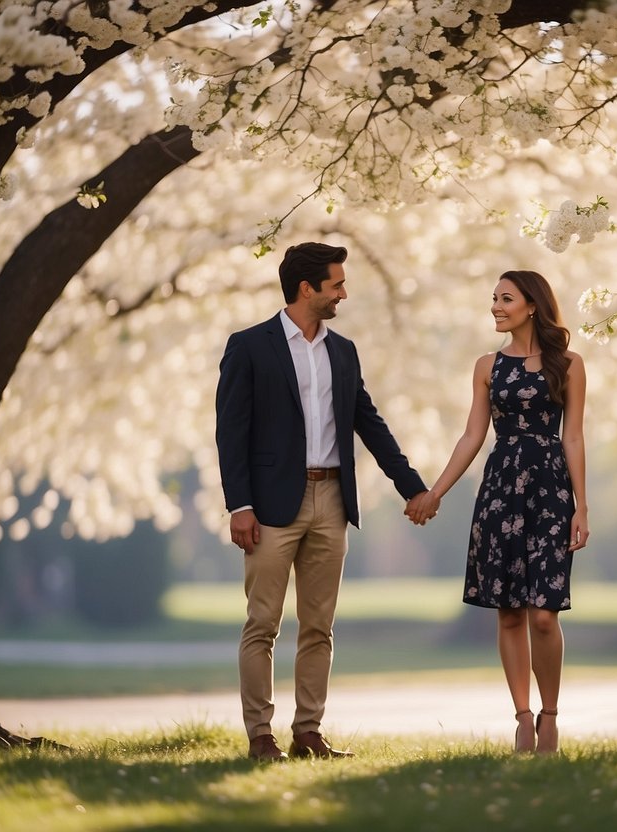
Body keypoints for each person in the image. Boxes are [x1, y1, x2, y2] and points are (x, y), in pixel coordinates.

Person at [216, 241, 435, 762]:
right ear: (307, 288)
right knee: (262, 624)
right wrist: (239, 504)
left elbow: (369, 423)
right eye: (336, 284)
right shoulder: (249, 346)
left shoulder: (343, 351)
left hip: (332, 500)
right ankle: (260, 737)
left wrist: (414, 487)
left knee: (319, 626)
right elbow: (231, 432)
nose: (343, 292)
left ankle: (308, 733)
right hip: (269, 507)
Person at [407, 270, 588, 755]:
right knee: (509, 612)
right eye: (493, 298)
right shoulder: (487, 365)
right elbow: (472, 435)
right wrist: (436, 492)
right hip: (500, 490)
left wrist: (581, 507)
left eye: (505, 299)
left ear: (532, 305)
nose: (495, 307)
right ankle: (523, 719)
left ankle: (551, 716)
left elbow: (573, 437)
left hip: (550, 492)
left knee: (544, 615)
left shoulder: (569, 363)